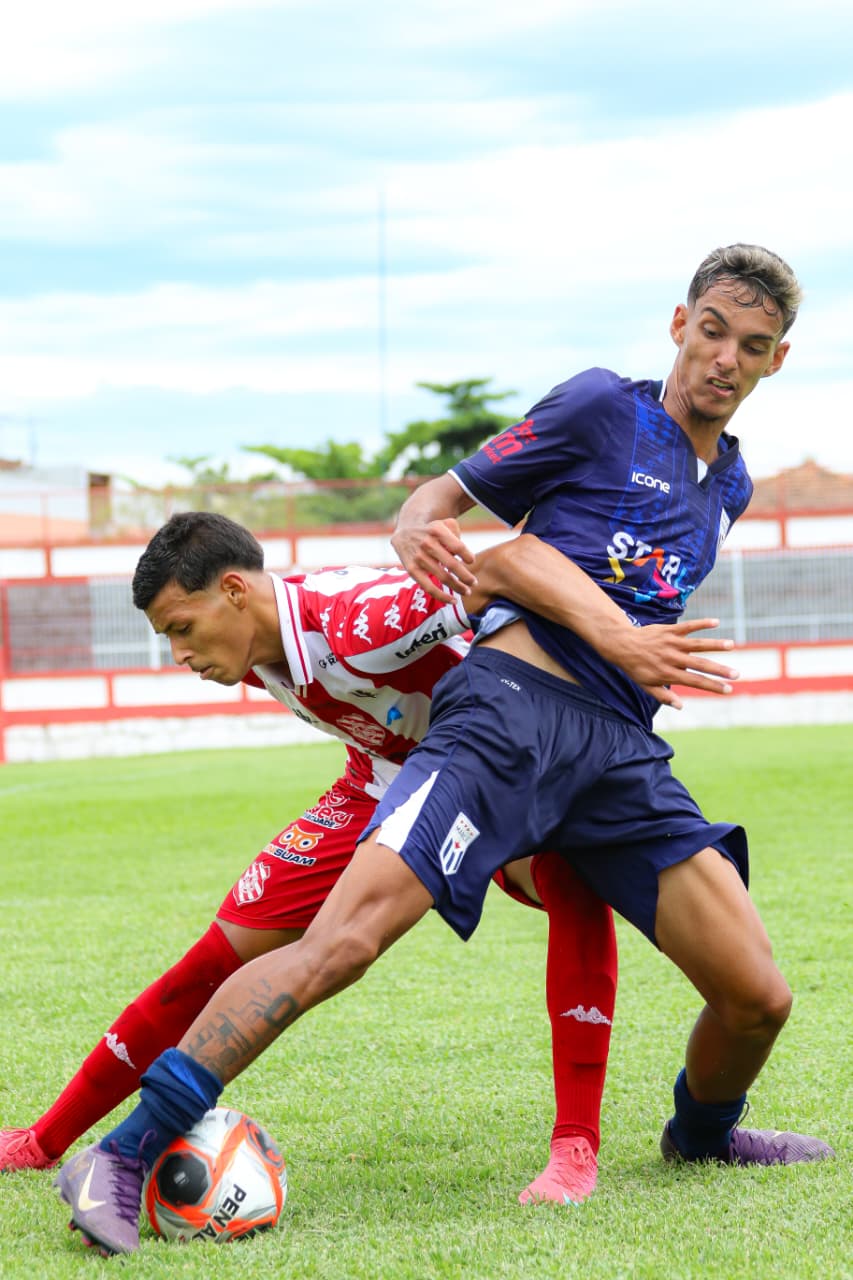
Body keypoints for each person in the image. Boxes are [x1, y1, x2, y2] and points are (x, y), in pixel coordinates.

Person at [55, 244, 834, 1258]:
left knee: (756, 994)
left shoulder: (725, 484)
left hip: (618, 752)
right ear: (677, 322)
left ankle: (699, 1135)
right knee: (338, 945)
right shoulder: (606, 407)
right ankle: (120, 1154)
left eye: (753, 345)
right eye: (713, 331)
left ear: (778, 361)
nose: (725, 358)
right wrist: (428, 524)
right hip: (507, 712)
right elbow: (488, 536)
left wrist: (626, 655)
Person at [3, 513, 727, 1203]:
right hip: (373, 784)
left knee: (570, 878)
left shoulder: (359, 619)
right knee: (214, 959)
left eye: (182, 630)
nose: (180, 656)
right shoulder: (255, 644)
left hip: (492, 772)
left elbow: (502, 575)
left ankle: (574, 1146)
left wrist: (613, 650)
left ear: (234, 591)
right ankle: (43, 1140)